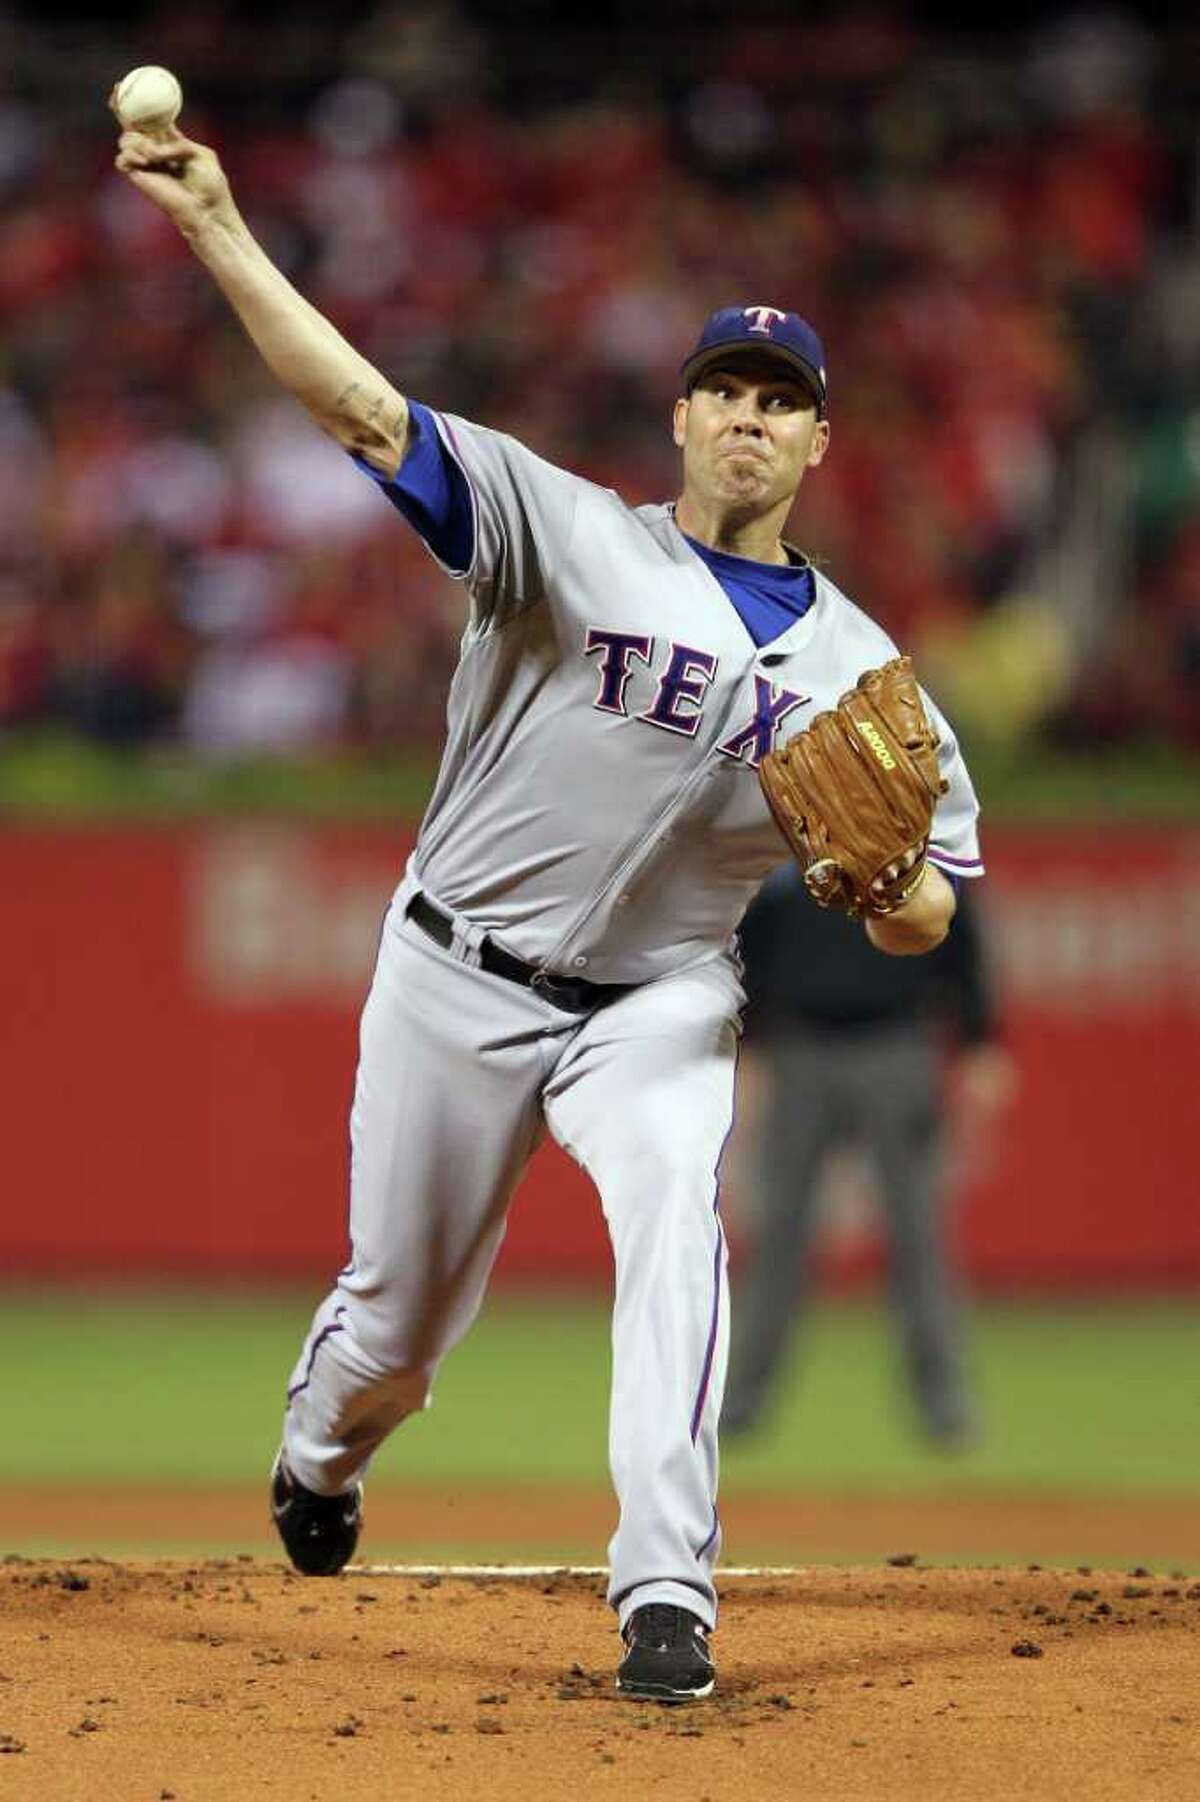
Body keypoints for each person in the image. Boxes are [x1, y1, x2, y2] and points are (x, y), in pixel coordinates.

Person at [115, 121, 984, 1703]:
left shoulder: (864, 674)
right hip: (455, 970)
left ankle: (668, 1595)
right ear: (682, 416)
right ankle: (321, 1453)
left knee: (676, 1225)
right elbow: (360, 410)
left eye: (782, 401)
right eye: (728, 386)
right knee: (398, 1325)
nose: (750, 415)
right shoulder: (561, 528)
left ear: (817, 449)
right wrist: (222, 228)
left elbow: (939, 916)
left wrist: (892, 881)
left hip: (659, 998)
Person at [723, 869, 1016, 1447]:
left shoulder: (920, 835)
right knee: (778, 1236)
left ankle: (945, 1410)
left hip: (897, 1044)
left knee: (918, 1236)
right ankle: (736, 1408)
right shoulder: (791, 839)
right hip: (798, 1049)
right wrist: (747, 1046)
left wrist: (980, 1041)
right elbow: (749, 950)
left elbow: (957, 934)